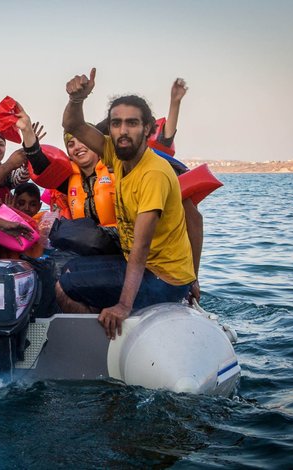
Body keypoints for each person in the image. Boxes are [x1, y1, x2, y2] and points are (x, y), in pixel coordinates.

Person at [58, 68, 196, 339]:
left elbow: (141, 247)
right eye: (116, 123)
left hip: (161, 278)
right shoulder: (116, 154)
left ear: (147, 129)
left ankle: (103, 347)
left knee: (64, 287)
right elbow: (73, 126)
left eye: (132, 123)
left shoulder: (153, 173)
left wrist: (123, 304)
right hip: (155, 271)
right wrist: (76, 100)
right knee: (68, 269)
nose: (123, 130)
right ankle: (109, 322)